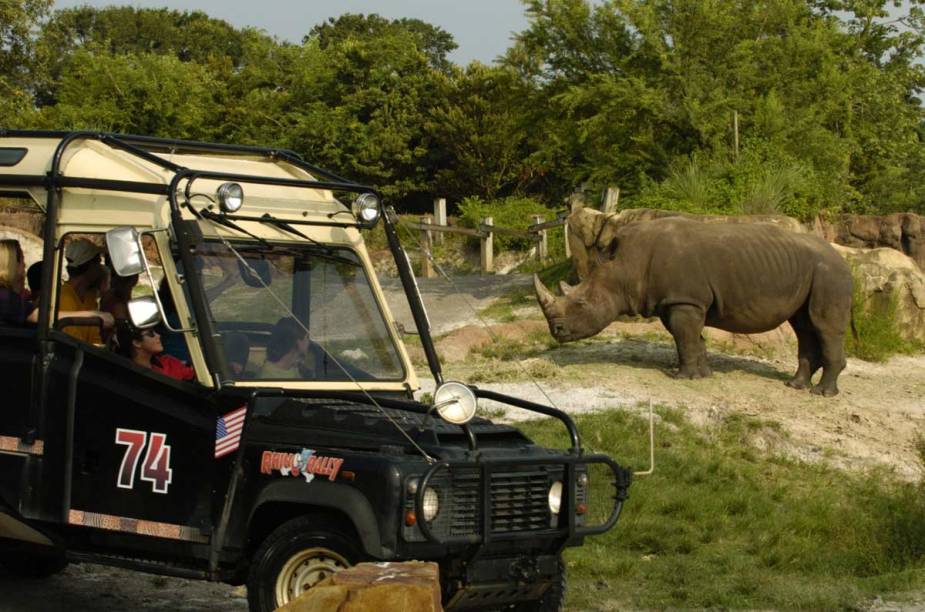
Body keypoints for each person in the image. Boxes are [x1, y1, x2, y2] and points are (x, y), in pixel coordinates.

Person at [0, 240, 113, 330]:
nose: (24, 265)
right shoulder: (4, 297)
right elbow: (41, 317)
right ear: (11, 264)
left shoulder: (9, 296)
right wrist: (93, 315)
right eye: (21, 260)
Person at [59, 238, 108, 344]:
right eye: (98, 262)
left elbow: (95, 338)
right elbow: (75, 342)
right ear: (90, 266)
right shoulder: (64, 298)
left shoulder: (89, 296)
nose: (101, 268)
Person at [115, 322, 195, 382]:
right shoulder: (124, 377)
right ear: (136, 343)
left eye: (155, 332)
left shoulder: (169, 363)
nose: (158, 335)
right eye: (150, 334)